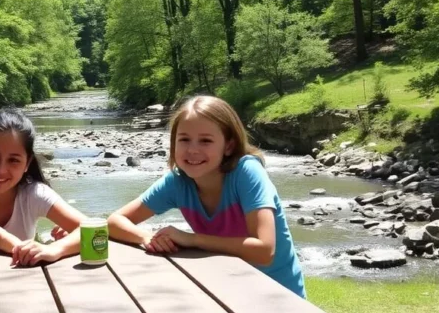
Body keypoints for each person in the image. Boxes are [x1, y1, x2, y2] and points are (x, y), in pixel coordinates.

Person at [107, 95, 306, 298]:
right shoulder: (177, 182)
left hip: (281, 297)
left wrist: (191, 240)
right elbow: (114, 221)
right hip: (230, 292)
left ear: (228, 146)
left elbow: (264, 251)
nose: (193, 149)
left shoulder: (246, 172)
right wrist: (148, 238)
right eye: (184, 139)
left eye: (205, 141)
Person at [0, 107, 86, 267]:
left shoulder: (34, 194)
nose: (0, 170)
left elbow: (96, 230)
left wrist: (55, 249)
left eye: (13, 160)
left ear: (27, 163)